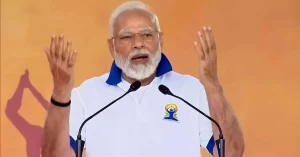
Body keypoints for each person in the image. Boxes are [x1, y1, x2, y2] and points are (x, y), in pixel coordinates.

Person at [41, 1, 244, 157]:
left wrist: (212, 84)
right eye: (127, 37)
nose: (138, 44)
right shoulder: (87, 95)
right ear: (112, 47)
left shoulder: (190, 90)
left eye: (147, 35)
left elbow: (232, 152)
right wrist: (60, 92)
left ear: (160, 40)